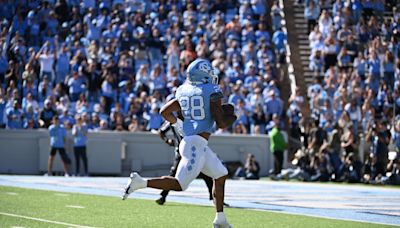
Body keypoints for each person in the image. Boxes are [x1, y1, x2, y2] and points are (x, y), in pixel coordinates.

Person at [122, 59, 236, 228]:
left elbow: (164, 111)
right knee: (180, 184)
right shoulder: (212, 91)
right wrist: (231, 116)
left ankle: (220, 219)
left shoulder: (183, 91)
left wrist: (179, 125)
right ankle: (141, 182)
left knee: (220, 174)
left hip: (195, 143)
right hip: (195, 146)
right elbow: (220, 122)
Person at [155, 119, 214, 205]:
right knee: (174, 174)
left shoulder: (192, 118)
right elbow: (161, 131)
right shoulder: (172, 120)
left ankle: (214, 198)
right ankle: (163, 196)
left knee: (206, 173)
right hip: (181, 152)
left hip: (195, 150)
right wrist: (167, 141)